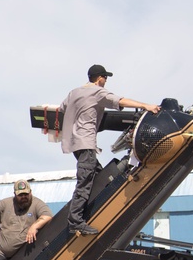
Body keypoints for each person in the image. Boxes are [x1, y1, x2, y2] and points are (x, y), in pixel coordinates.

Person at [59, 65, 160, 235]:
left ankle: (92, 211)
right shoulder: (97, 92)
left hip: (74, 144)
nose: (105, 82)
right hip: (86, 144)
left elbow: (62, 108)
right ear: (100, 78)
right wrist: (146, 106)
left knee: (100, 177)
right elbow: (121, 101)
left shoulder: (73, 93)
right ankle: (75, 221)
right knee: (85, 182)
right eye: (105, 78)